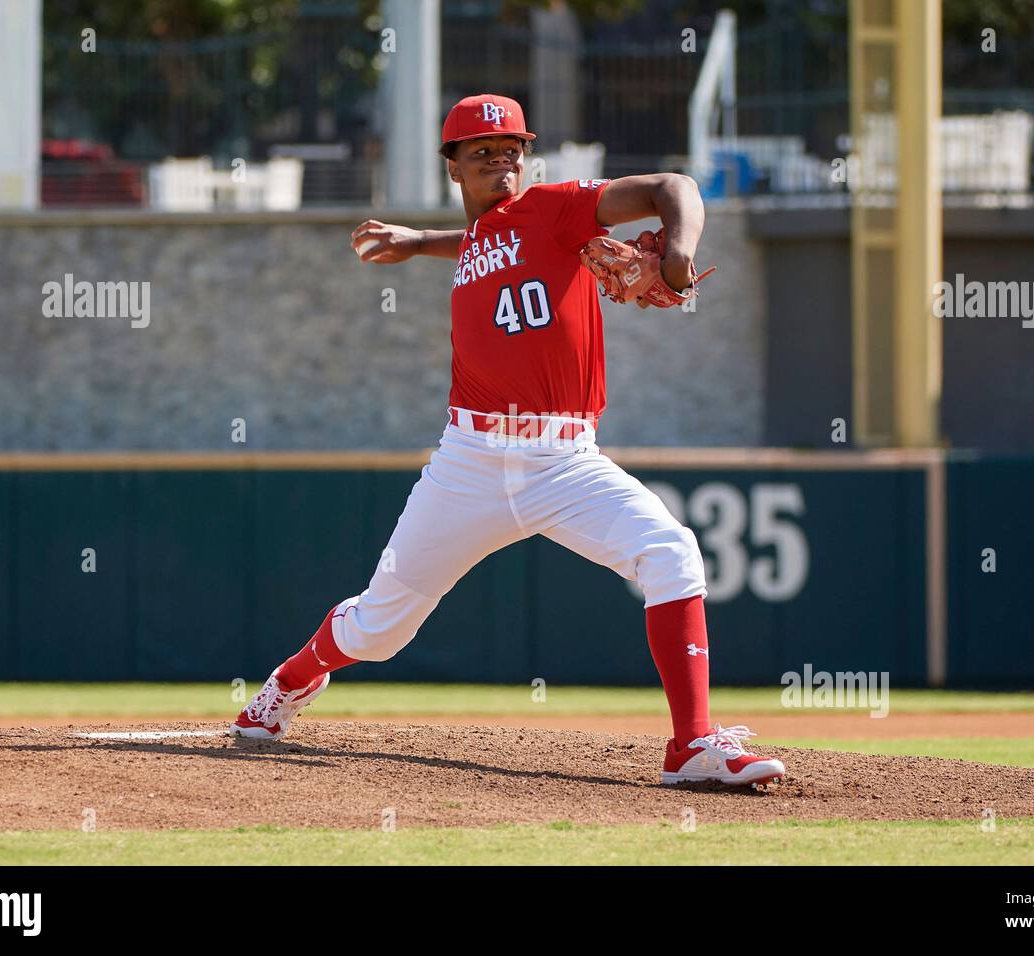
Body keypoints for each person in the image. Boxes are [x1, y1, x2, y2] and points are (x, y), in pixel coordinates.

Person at [231, 94, 785, 787]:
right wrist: (419, 242)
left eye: (512, 149)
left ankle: (693, 745)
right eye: (483, 152)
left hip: (566, 461)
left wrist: (677, 249)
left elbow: (675, 187)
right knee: (380, 628)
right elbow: (483, 240)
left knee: (671, 552)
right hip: (469, 463)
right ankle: (290, 680)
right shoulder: (485, 238)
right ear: (453, 167)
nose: (502, 160)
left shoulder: (553, 209)